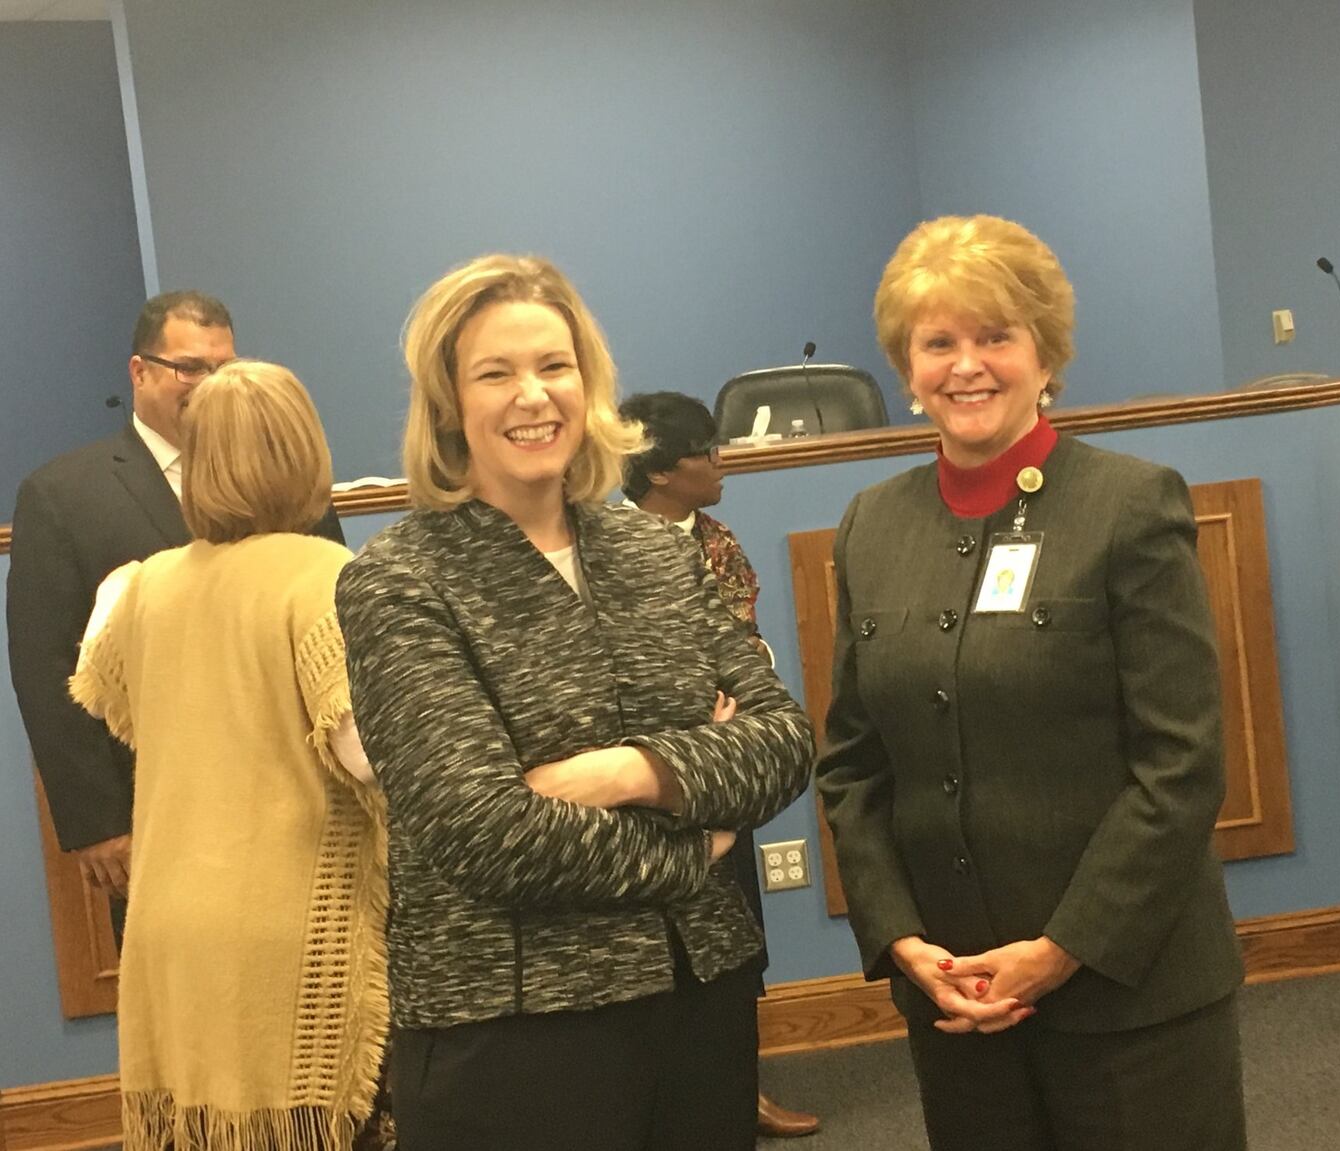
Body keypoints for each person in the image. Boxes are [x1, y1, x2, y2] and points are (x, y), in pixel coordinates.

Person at [335, 254, 814, 1150]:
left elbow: (782, 741)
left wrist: (631, 771)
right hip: (515, 1028)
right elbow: (483, 831)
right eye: (496, 372)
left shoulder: (656, 551)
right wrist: (696, 841)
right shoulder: (398, 581)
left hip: (699, 997)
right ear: (447, 402)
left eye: (555, 366)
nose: (533, 395)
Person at [816, 214, 1246, 1150]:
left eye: (995, 337)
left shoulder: (1130, 504)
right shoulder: (870, 526)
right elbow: (851, 765)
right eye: (939, 343)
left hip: (1130, 995)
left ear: (1046, 355)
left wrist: (1060, 952)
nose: (966, 365)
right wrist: (901, 942)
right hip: (955, 995)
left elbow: (1182, 763)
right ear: (907, 368)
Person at [68, 361, 388, 1151]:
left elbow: (117, 707)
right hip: (290, 926)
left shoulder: (136, 589)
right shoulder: (331, 580)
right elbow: (373, 758)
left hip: (167, 927)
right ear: (307, 452)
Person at [7, 292, 344, 908]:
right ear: (140, 372)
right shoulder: (62, 495)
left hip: (304, 807)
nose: (210, 386)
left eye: (225, 369)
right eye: (190, 368)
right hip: (154, 817)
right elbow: (45, 666)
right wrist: (99, 822)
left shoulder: (291, 481)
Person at [618, 390, 821, 1139]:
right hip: (656, 773)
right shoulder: (607, 546)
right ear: (664, 471)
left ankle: (743, 1085)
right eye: (707, 452)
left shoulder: (718, 539)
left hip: (729, 756)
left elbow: (745, 644)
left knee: (739, 927)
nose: (721, 462)